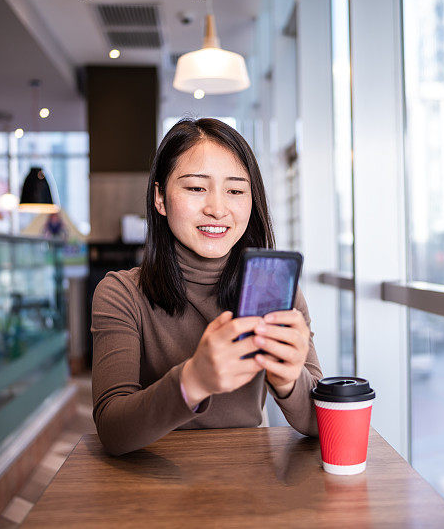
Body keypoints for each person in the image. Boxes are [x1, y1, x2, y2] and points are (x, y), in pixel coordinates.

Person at [91, 118, 323, 456]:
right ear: (160, 198)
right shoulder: (121, 294)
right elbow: (113, 431)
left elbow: (319, 422)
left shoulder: (274, 291)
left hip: (247, 480)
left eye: (235, 190)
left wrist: (289, 381)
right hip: (149, 485)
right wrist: (193, 380)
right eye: (196, 188)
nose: (217, 209)